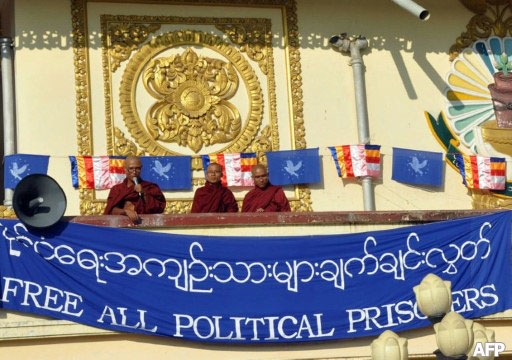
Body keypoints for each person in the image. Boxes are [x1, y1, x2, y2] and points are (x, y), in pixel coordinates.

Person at [104, 156, 166, 222]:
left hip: (146, 225)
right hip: (123, 226)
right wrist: (126, 212)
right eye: (131, 168)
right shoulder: (117, 189)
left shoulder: (150, 187)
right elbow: (111, 209)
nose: (134, 172)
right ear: (125, 169)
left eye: (137, 168)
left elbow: (160, 208)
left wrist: (144, 194)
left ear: (141, 169)